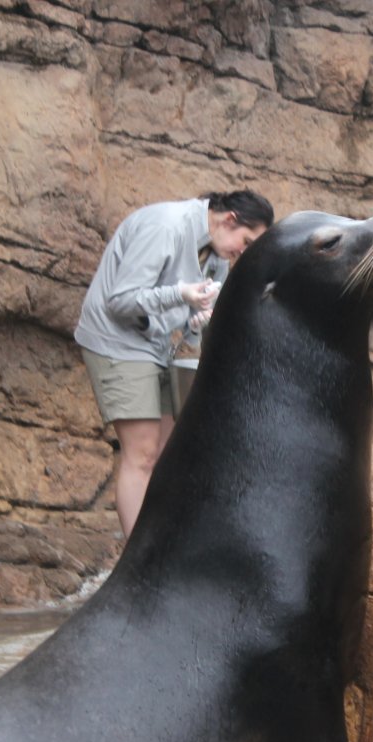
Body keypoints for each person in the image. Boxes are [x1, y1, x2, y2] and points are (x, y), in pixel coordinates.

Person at [75, 190, 275, 537]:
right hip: (116, 341)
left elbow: (195, 321)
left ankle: (160, 546)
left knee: (167, 453)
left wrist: (194, 324)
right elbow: (120, 301)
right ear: (229, 220)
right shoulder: (166, 226)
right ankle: (138, 563)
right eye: (247, 241)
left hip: (152, 346)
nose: (243, 252)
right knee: (142, 454)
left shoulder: (216, 257)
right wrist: (181, 295)